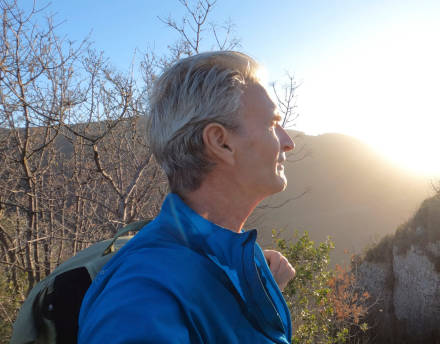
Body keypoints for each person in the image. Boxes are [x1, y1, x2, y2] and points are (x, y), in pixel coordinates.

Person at [78, 51, 296, 343]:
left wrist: (258, 289)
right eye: (271, 124)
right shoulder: (143, 298)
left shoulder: (221, 258)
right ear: (221, 142)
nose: (288, 142)